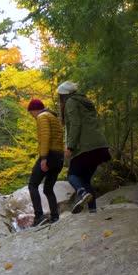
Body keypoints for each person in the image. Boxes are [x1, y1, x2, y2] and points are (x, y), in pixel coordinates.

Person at [58, 81, 111, 214]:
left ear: (63, 95)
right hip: (100, 145)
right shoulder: (86, 101)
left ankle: (82, 194)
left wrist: (70, 146)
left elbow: (75, 125)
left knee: (72, 175)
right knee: (85, 179)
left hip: (85, 147)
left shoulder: (70, 102)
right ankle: (92, 210)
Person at [26, 98, 65, 226]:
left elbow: (45, 138)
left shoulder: (42, 117)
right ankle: (55, 216)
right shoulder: (53, 117)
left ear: (34, 110)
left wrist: (43, 158)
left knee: (33, 184)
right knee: (48, 188)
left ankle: (39, 216)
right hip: (59, 156)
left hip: (50, 155)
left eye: (31, 113)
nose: (32, 116)